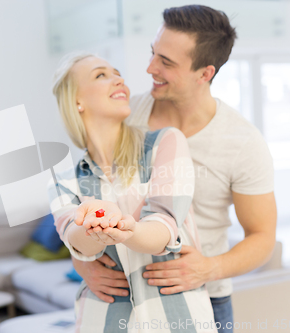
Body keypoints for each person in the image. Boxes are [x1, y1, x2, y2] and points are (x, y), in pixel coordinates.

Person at [71, 5, 277, 333]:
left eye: (166, 62)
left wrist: (209, 268)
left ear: (204, 73)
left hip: (201, 296)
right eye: (154, 53)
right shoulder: (128, 113)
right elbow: (82, 195)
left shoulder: (242, 143)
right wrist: (83, 264)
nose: (150, 67)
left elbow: (263, 237)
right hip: (126, 295)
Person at [50, 52, 217, 333]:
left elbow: (164, 225)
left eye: (117, 73)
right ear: (76, 100)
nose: (119, 79)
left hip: (176, 319)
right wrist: (94, 227)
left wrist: (125, 229)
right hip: (102, 320)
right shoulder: (65, 176)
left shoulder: (164, 143)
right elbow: (76, 241)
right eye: (101, 75)